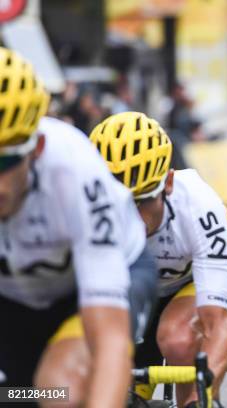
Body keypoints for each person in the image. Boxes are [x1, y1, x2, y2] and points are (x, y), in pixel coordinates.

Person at [0, 47, 156, 408]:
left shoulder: (75, 171)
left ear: (36, 149)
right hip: (15, 298)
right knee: (21, 395)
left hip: (98, 285)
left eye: (6, 160)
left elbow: (111, 342)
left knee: (60, 388)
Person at [89, 112, 227, 408]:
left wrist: (204, 389)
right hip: (137, 292)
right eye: (119, 203)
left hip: (191, 283)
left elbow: (216, 323)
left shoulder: (198, 207)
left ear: (168, 182)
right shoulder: (86, 206)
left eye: (143, 201)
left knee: (178, 340)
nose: (131, 217)